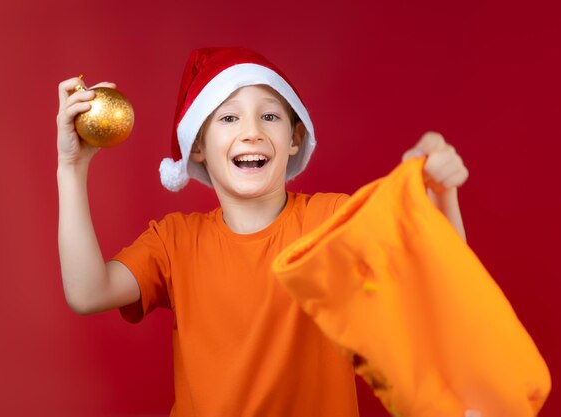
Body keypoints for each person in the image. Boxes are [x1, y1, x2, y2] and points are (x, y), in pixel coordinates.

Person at [56, 47, 469, 416]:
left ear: (295, 137)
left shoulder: (334, 221)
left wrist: (439, 194)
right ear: (197, 146)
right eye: (230, 117)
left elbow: (436, 274)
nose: (251, 131)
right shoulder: (174, 242)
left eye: (269, 115)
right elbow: (88, 293)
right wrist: (71, 169)